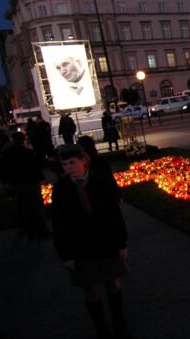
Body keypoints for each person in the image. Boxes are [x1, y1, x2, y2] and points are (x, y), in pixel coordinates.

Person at [51, 144, 129, 338]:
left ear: (84, 160)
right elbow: (59, 224)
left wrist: (122, 244)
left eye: (72, 163)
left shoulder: (100, 183)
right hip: (81, 249)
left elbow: (115, 216)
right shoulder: (61, 189)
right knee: (91, 289)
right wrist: (66, 255)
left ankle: (118, 321)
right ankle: (100, 326)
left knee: (113, 283)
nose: (68, 168)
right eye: (64, 164)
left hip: (106, 243)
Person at [0, 132, 51, 238]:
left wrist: (6, 182)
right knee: (37, 207)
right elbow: (35, 167)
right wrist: (42, 179)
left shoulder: (7, 153)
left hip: (16, 184)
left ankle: (28, 230)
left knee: (23, 207)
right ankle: (41, 229)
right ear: (23, 140)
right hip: (31, 183)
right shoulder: (28, 152)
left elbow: (0, 168)